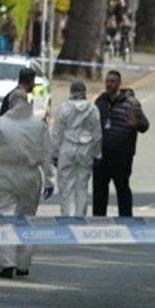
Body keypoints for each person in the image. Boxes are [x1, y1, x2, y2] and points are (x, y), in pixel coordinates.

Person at [0, 90, 55, 279]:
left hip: (4, 174)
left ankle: (7, 263)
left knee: (4, 219)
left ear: (9, 104)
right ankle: (23, 264)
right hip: (30, 175)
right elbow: (46, 154)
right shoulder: (38, 125)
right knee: (26, 219)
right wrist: (49, 179)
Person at [93, 70, 149, 217]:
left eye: (112, 81)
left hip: (122, 155)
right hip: (102, 154)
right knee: (99, 191)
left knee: (122, 189)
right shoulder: (100, 102)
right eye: (107, 81)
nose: (109, 84)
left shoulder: (131, 103)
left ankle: (126, 220)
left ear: (119, 84)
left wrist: (136, 123)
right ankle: (98, 221)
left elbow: (145, 125)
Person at [53, 80, 102, 216]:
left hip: (67, 148)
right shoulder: (92, 109)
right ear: (84, 92)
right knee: (82, 186)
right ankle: (80, 216)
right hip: (85, 150)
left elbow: (57, 133)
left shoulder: (64, 108)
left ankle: (67, 216)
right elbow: (97, 134)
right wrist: (97, 154)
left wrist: (55, 154)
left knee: (66, 186)